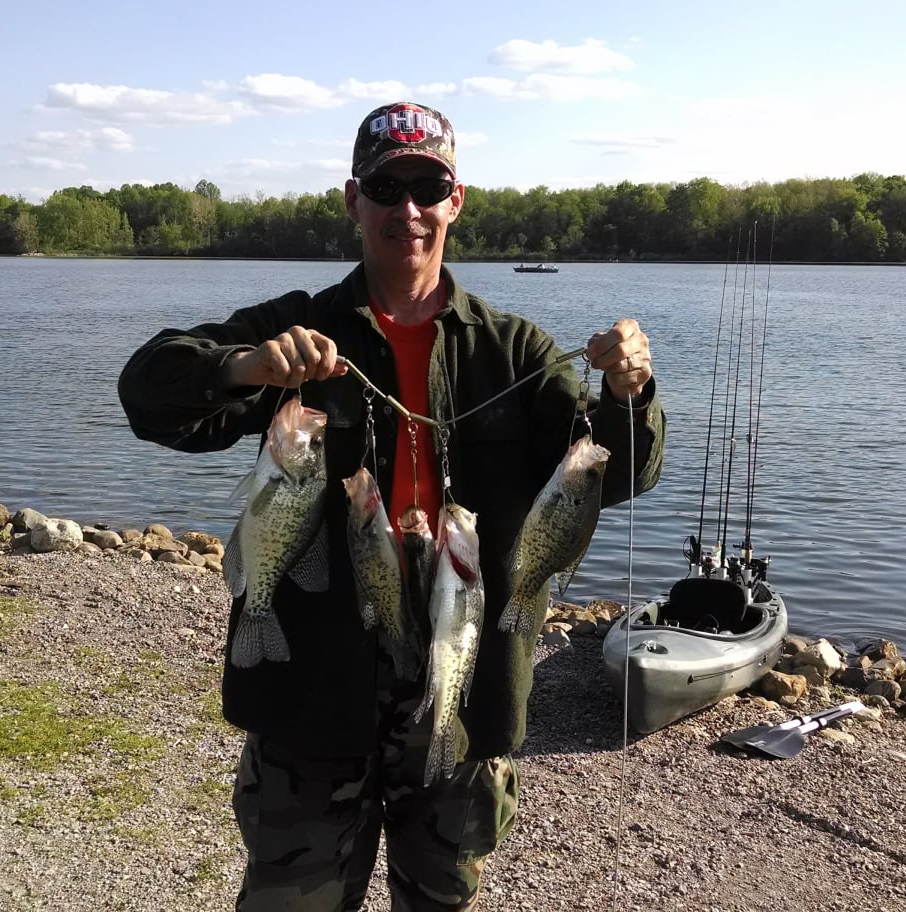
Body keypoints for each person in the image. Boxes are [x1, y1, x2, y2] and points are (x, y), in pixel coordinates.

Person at [118, 100, 665, 911]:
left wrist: (630, 391)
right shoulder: (296, 330)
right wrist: (241, 368)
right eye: (385, 186)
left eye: (426, 186)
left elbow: (618, 474)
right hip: (314, 685)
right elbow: (148, 394)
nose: (406, 209)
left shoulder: (515, 350)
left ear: (455, 200)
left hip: (462, 678)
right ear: (352, 200)